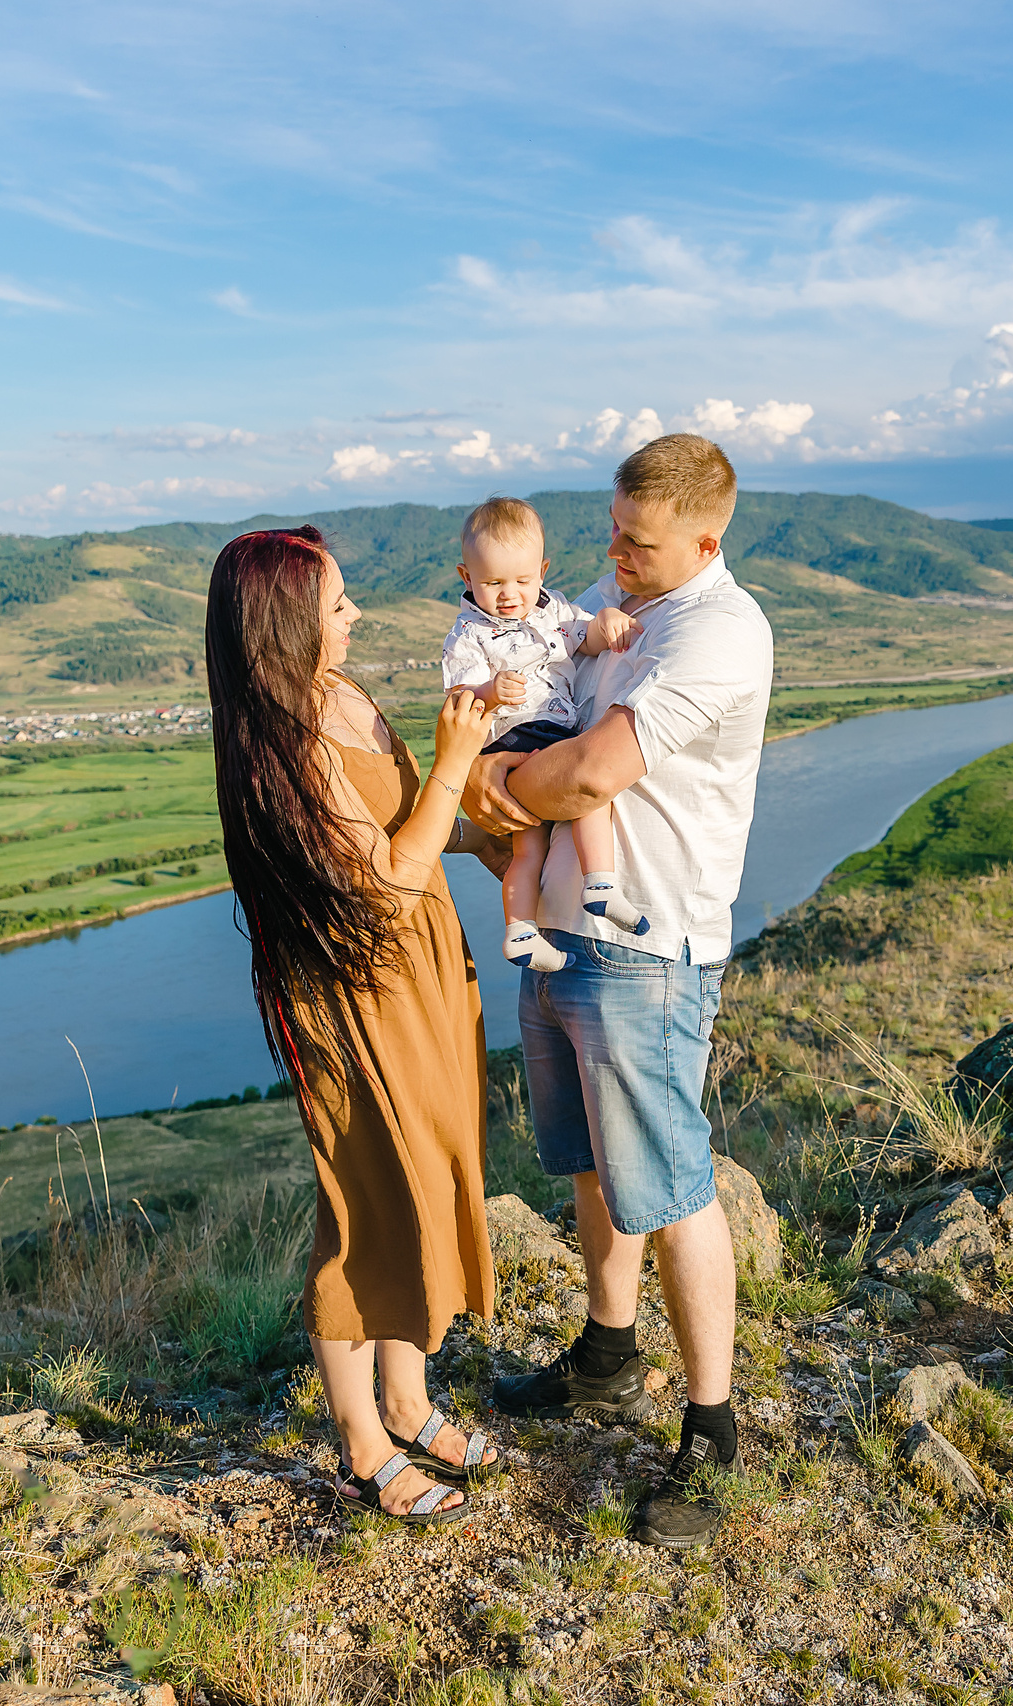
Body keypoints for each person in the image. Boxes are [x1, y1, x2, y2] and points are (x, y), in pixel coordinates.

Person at [465, 434, 774, 1551]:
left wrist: (497, 781)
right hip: (559, 924)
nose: (614, 559)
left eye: (638, 544)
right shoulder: (609, 594)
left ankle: (713, 1428)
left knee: (673, 1177)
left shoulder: (719, 632)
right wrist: (507, 776)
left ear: (707, 538)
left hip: (648, 944)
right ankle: (605, 1354)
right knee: (593, 1159)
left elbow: (589, 769)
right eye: (610, 533)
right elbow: (525, 712)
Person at [205, 525, 513, 1526]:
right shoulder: (284, 742)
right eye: (338, 605)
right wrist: (460, 757)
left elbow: (413, 827)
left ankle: (410, 1398)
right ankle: (361, 1445)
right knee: (363, 1204)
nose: (355, 615)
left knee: (422, 1179)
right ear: (286, 623)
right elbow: (381, 884)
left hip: (419, 972)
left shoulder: (347, 698)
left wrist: (502, 829)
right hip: (352, 997)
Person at [437, 495, 648, 973]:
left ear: (543, 570)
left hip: (541, 733)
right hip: (520, 735)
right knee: (591, 795)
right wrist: (489, 690)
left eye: (522, 580)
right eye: (493, 582)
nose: (510, 593)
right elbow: (459, 699)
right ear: (466, 578)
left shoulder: (555, 611)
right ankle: (600, 881)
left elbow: (585, 640)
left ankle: (521, 932)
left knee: (527, 847)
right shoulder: (468, 635)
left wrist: (606, 623)